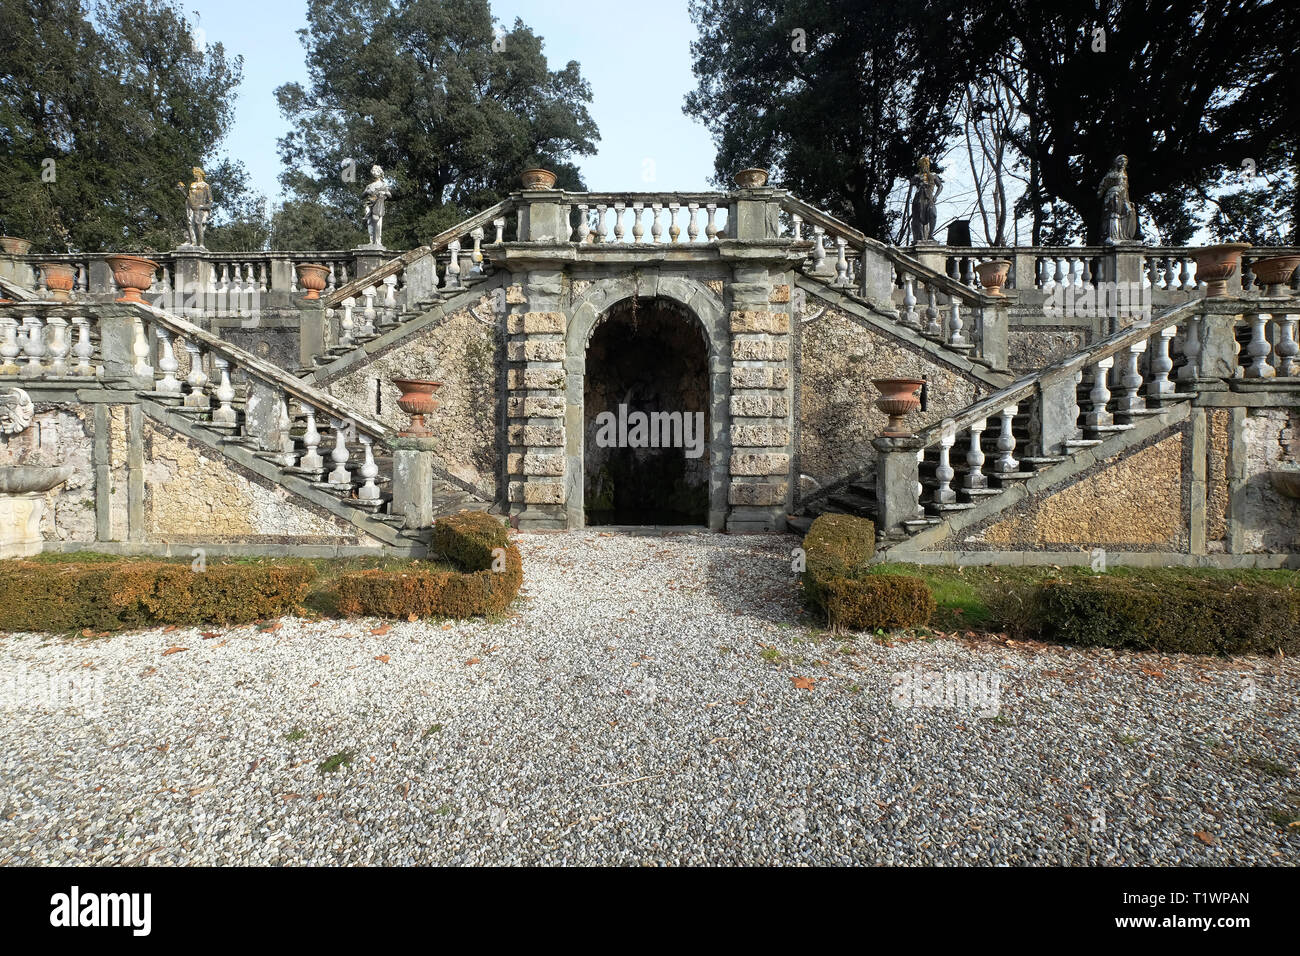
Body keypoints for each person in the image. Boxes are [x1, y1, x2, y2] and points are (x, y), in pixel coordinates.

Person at [1099, 154, 1138, 243]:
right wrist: (1101, 192)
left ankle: (1123, 237)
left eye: (1125, 162)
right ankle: (1113, 236)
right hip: (1113, 195)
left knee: (1128, 212)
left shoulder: (1123, 174)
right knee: (1114, 215)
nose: (1123, 164)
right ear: (1117, 162)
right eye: (1122, 161)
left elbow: (1125, 188)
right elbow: (1103, 186)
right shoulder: (1111, 174)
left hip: (1122, 196)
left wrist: (1127, 202)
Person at [177, 167, 212, 247]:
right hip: (191, 207)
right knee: (190, 224)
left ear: (199, 174)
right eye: (194, 173)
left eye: (195, 173)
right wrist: (182, 190)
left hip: (200, 208)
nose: (194, 175)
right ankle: (193, 242)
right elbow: (189, 198)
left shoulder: (206, 186)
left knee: (198, 224)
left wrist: (203, 207)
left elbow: (210, 201)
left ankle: (201, 244)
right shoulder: (192, 185)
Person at [910, 156, 942, 242]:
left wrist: (936, 196)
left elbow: (940, 186)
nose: (924, 166)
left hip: (929, 197)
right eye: (923, 165)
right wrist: (917, 179)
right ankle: (920, 236)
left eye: (926, 164)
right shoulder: (917, 176)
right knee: (918, 215)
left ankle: (930, 234)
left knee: (933, 214)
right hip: (919, 196)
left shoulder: (933, 175)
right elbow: (912, 182)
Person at [364, 165, 392, 247]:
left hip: (378, 205)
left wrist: (384, 193)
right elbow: (363, 195)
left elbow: (389, 195)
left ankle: (378, 241)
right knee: (369, 222)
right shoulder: (369, 186)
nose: (374, 173)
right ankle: (371, 240)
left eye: (376, 171)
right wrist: (367, 192)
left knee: (378, 223)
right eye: (373, 171)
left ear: (380, 173)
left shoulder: (383, 185)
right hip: (369, 205)